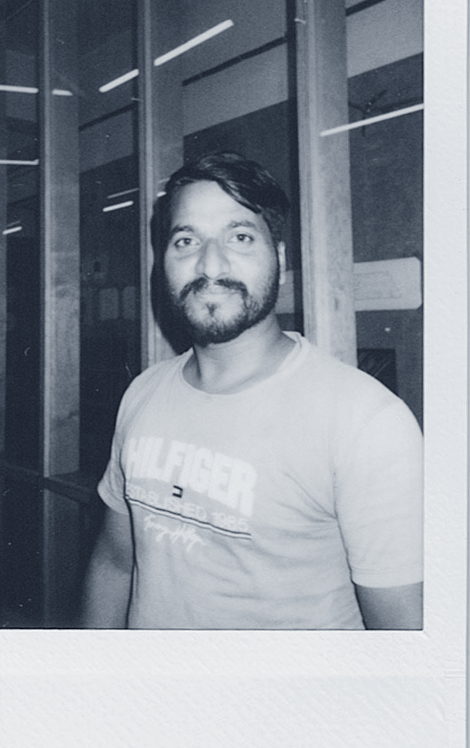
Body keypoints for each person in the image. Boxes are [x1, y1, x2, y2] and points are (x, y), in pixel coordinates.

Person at [82, 151, 423, 630]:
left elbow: (403, 644)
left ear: (280, 260)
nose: (210, 263)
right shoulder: (143, 393)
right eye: (186, 240)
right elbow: (115, 564)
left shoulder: (364, 420)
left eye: (239, 237)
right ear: (163, 266)